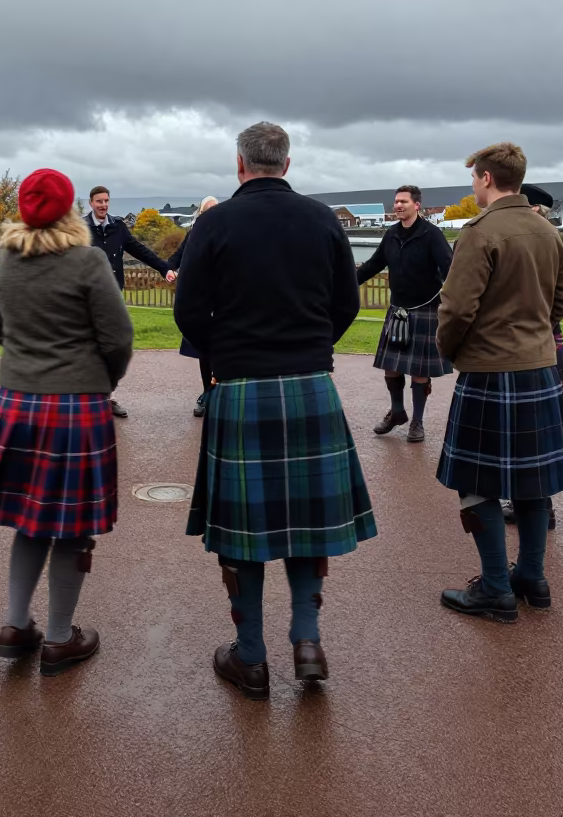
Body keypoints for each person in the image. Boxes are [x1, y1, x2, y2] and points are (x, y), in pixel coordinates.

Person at [175, 123, 377, 699]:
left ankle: (253, 657)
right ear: (286, 164)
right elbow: (346, 303)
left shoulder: (213, 223)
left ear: (240, 164)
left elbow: (189, 310)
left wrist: (221, 354)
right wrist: (313, 349)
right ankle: (307, 640)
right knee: (308, 521)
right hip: (312, 385)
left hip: (240, 387)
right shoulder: (322, 220)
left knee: (243, 532)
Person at [0, 169, 133, 677]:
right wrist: (101, 382)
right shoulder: (86, 260)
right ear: (68, 209)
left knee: (30, 517)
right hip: (76, 404)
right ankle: (60, 638)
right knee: (71, 524)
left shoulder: (3, 260)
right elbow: (118, 337)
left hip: (16, 401)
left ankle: (16, 625)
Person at [436, 143, 563, 623]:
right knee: (533, 482)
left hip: (489, 371)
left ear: (485, 178)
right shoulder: (548, 230)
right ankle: (532, 579)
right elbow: (561, 304)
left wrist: (452, 350)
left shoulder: (480, 234)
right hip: (540, 370)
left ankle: (496, 588)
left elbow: (457, 310)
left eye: (473, 179)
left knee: (475, 483)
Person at [500, 183, 563, 532]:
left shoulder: (539, 239)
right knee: (539, 425)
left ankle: (539, 506)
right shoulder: (544, 238)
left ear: (536, 209)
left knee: (537, 426)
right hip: (543, 339)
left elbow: (557, 299)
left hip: (535, 343)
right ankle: (537, 504)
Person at [356, 186, 453, 442]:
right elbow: (374, 264)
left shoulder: (431, 234)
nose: (398, 206)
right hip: (398, 310)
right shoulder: (392, 234)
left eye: (403, 202)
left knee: (419, 370)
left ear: (417, 205)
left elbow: (450, 268)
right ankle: (397, 412)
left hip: (425, 309)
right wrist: (347, 281)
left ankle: (417, 422)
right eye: (396, 202)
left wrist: (453, 299)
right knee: (391, 366)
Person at [85, 185, 175, 417]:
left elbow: (140, 250)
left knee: (114, 347)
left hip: (113, 296)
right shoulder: (81, 229)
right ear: (91, 203)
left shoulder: (118, 227)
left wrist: (164, 268)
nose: (103, 205)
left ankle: (109, 396)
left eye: (106, 201)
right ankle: (91, 398)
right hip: (88, 297)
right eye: (99, 201)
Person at [167, 197, 218, 416]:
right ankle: (207, 393)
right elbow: (177, 258)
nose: (210, 214)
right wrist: (167, 268)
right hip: (202, 300)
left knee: (227, 348)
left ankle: (223, 393)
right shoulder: (193, 235)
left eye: (214, 211)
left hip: (225, 298)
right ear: (200, 213)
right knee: (205, 350)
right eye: (207, 211)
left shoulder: (228, 233)